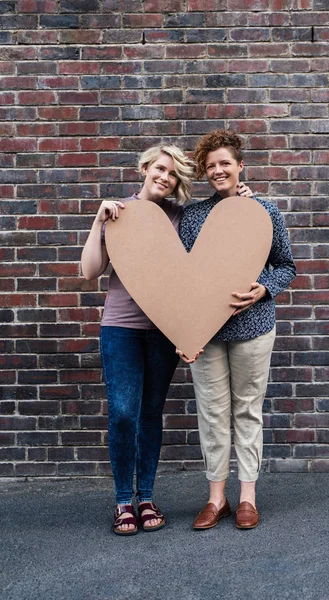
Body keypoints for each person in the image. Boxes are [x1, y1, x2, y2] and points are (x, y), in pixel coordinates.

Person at [178, 129, 296, 530]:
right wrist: (184, 331)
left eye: (225, 163)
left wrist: (265, 288)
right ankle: (216, 500)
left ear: (240, 165)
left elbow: (286, 266)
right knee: (212, 414)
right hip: (206, 333)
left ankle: (247, 497)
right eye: (210, 166)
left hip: (255, 326)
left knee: (247, 410)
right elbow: (182, 278)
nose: (217, 171)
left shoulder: (266, 211)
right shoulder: (193, 216)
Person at [81, 144, 195, 535]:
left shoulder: (182, 217)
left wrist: (243, 198)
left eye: (173, 173)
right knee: (124, 413)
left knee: (150, 413)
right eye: (160, 169)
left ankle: (145, 497)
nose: (165, 177)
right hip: (121, 329)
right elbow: (89, 271)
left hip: (164, 330)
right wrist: (98, 222)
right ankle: (121, 501)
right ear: (145, 168)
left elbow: (211, 256)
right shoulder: (119, 212)